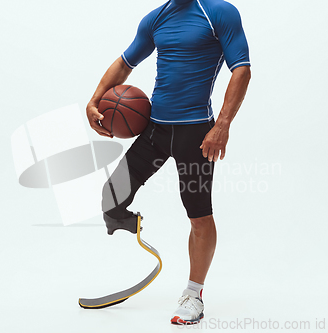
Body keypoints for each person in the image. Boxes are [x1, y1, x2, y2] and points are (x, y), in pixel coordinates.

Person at [86, 0, 251, 325]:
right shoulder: (155, 19)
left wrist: (223, 125)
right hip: (154, 131)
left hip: (196, 135)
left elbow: (242, 69)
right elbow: (124, 63)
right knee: (111, 197)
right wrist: (95, 99)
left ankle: (193, 294)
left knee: (199, 215)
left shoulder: (219, 13)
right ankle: (130, 222)